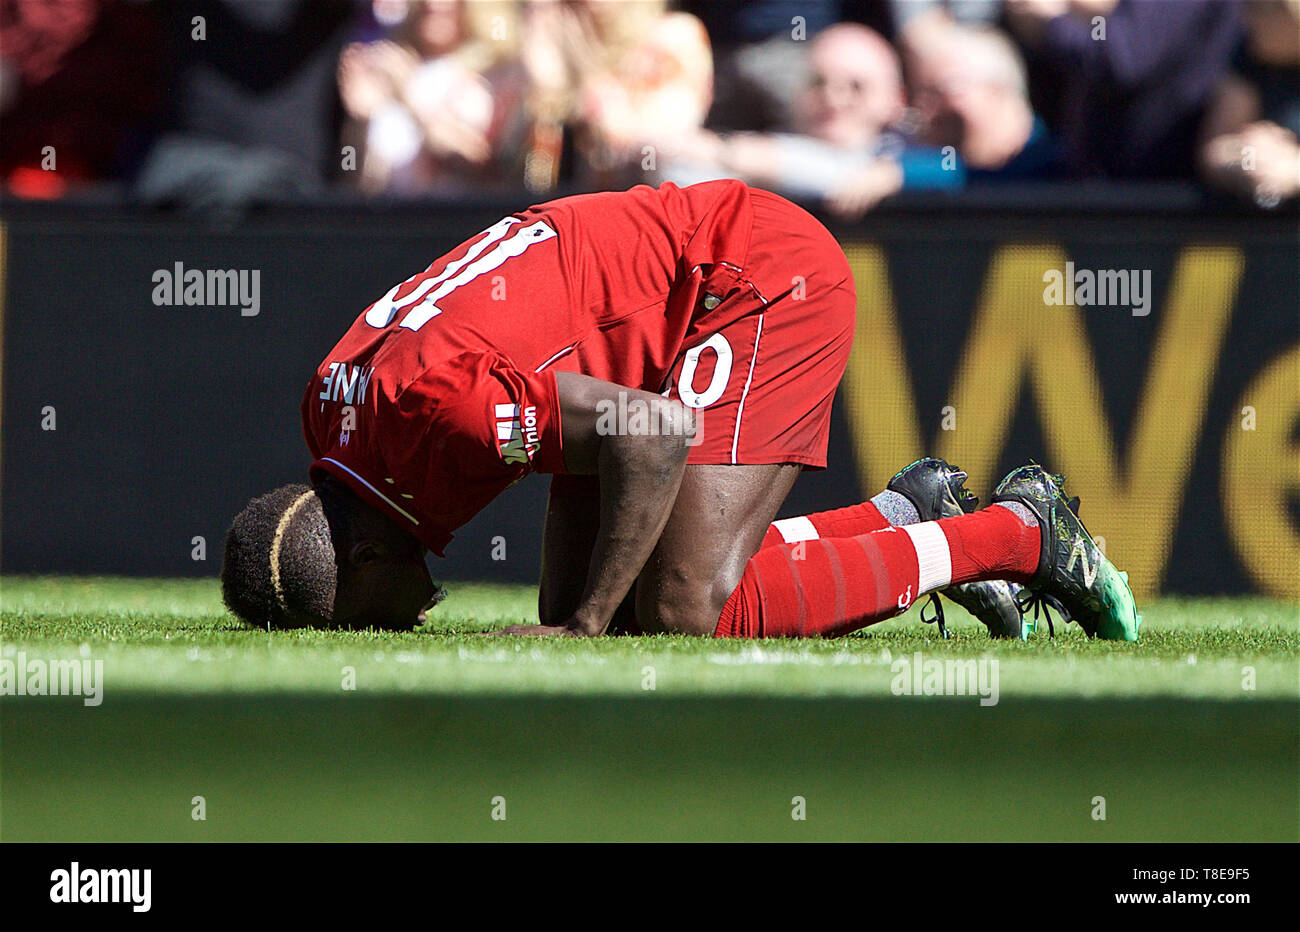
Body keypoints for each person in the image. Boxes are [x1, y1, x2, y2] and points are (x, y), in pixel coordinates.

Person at [221, 180, 1140, 642]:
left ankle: (1015, 537)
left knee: (683, 605)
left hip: (748, 272)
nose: (390, 629)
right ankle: (901, 520)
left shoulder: (441, 418)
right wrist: (579, 617)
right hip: (661, 310)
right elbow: (582, 419)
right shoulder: (335, 406)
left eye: (362, 614)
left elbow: (649, 433)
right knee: (617, 610)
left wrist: (578, 629)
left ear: (368, 552)